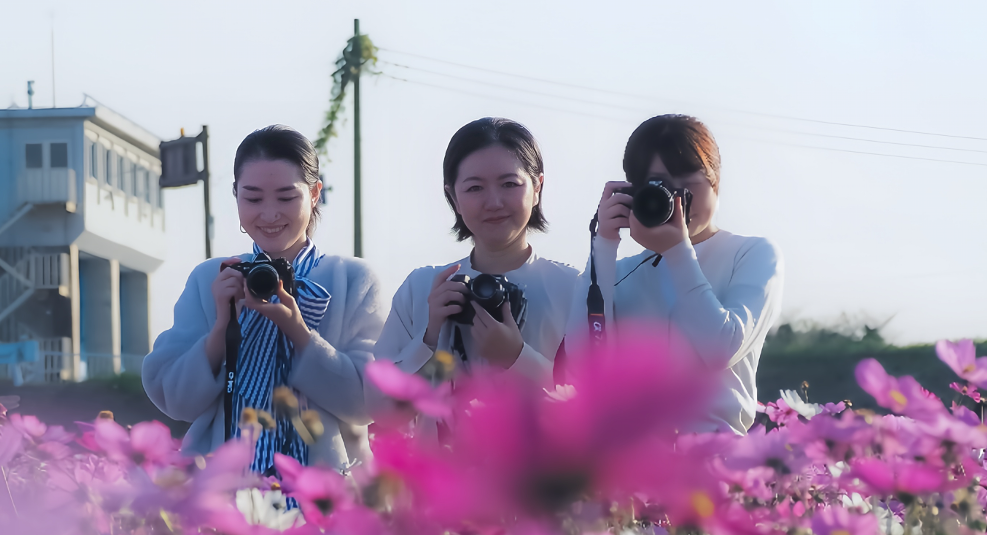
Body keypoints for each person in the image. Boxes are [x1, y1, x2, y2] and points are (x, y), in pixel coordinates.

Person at [142, 125, 387, 472]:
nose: (269, 214)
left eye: (287, 197)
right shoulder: (212, 278)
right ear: (236, 195)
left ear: (315, 193)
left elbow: (369, 402)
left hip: (325, 497)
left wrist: (299, 331)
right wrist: (221, 330)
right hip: (223, 496)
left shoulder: (353, 281)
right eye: (253, 198)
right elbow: (175, 401)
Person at [564, 114, 782, 433]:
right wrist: (604, 245)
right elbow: (584, 366)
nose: (678, 199)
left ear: (715, 182)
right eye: (661, 186)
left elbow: (721, 348)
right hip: (634, 460)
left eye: (688, 181)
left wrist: (677, 252)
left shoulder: (751, 254)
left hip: (717, 459)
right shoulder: (618, 272)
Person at [373, 118, 578, 385]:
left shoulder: (574, 289)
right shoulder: (421, 289)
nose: (493, 202)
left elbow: (593, 410)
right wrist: (429, 335)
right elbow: (381, 410)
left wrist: (517, 357)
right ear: (453, 198)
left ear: (537, 187)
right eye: (474, 188)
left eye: (509, 184)